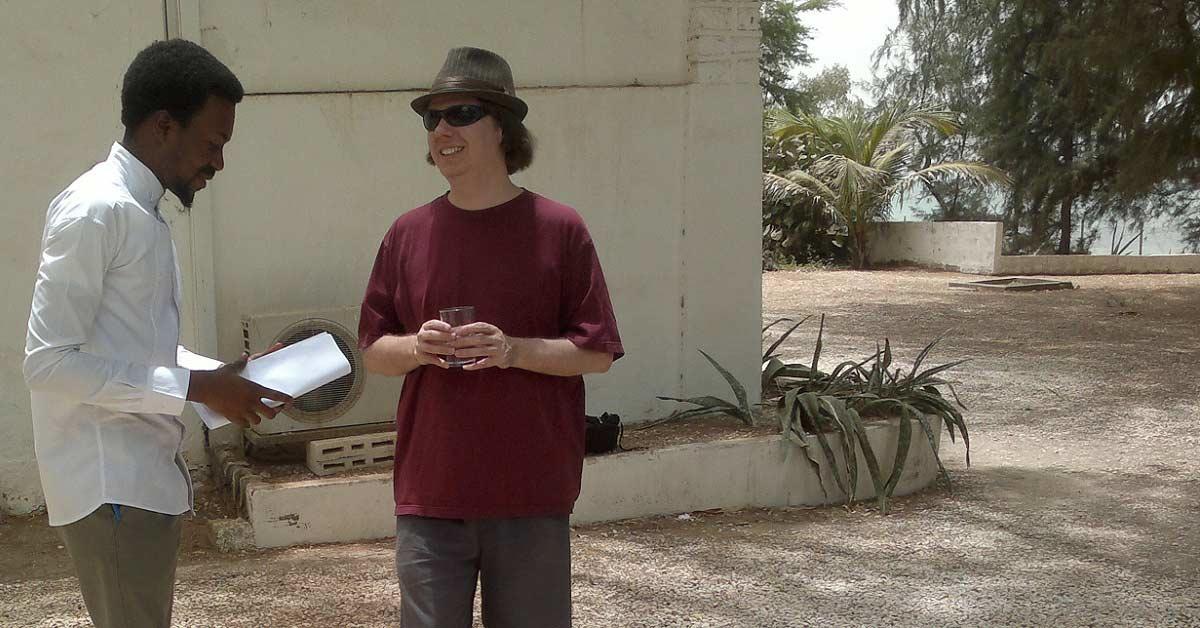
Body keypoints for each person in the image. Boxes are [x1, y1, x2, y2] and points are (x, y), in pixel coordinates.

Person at [23, 39, 291, 628]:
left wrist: (225, 378)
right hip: (109, 485)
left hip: (138, 480)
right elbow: (48, 363)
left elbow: (137, 352)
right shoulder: (97, 210)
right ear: (164, 125)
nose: (218, 162)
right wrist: (195, 388)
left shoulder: (140, 212)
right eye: (213, 143)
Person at [359, 46, 624, 627]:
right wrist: (416, 348)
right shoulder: (406, 234)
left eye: (461, 114)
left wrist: (513, 351)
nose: (442, 130)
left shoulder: (560, 229)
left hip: (529, 492)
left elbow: (597, 353)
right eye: (433, 118)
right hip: (431, 494)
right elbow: (375, 352)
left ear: (502, 125)